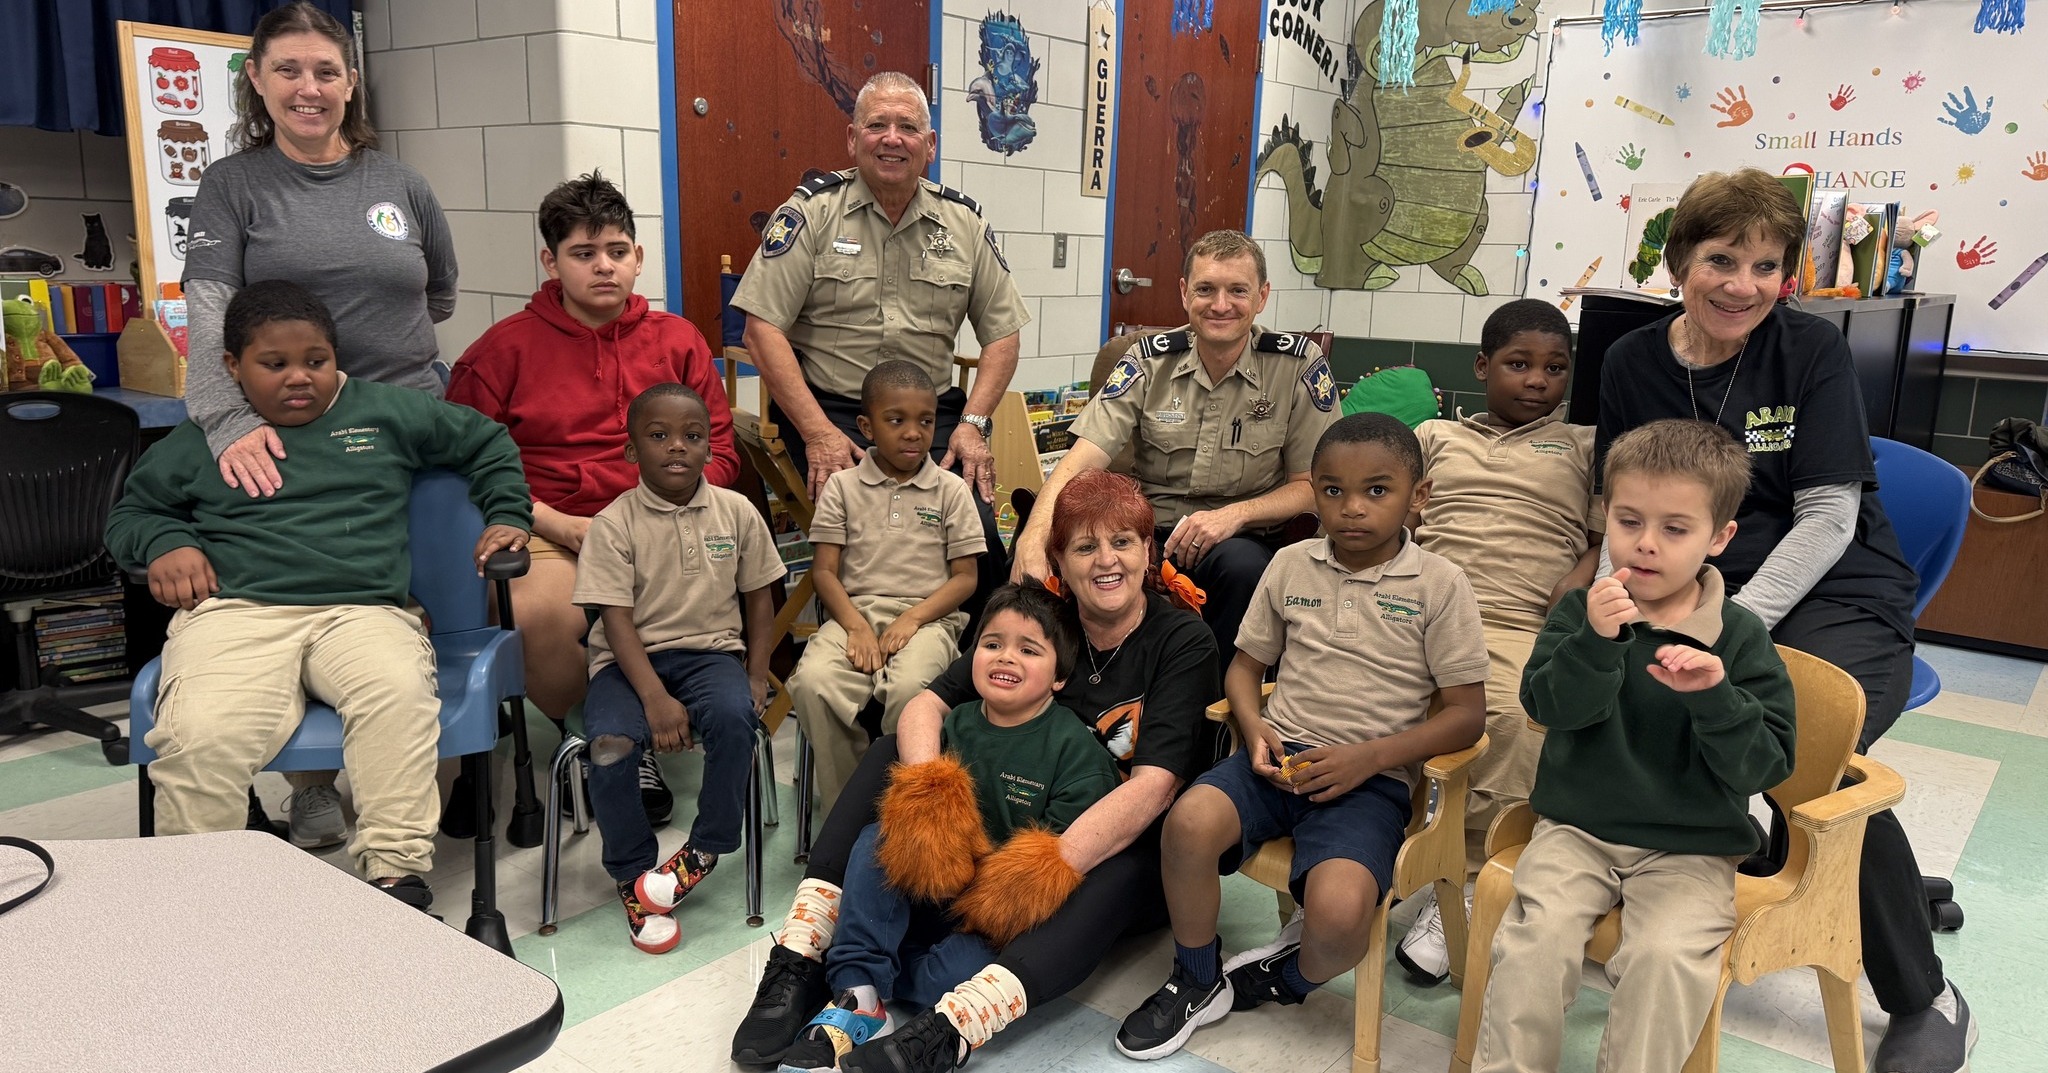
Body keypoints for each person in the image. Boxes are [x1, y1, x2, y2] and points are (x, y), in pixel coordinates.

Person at [1595, 167, 1971, 1073]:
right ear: (1680, 259)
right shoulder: (1629, 361)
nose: (1743, 285)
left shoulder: (1810, 352)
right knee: (1636, 708)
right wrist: (1613, 603)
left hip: (1839, 586)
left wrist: (1728, 627)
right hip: (1697, 584)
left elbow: (1829, 517)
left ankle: (1924, 994)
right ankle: (1833, 868)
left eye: (1767, 265)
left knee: (1801, 748)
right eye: (1722, 258)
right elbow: (1614, 508)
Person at [731, 470, 1222, 1072]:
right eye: (1085, 546)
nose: (1106, 561)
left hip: (1108, 847)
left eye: (1123, 542)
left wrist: (1032, 876)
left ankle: (952, 1030)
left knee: (1116, 869)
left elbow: (1155, 786)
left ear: (1148, 551)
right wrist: (931, 803)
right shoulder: (1041, 619)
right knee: (897, 751)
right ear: (1058, 561)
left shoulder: (1182, 640)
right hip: (1003, 823)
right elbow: (927, 704)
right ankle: (804, 955)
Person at [103, 280, 530, 910]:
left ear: (336, 357)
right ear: (232, 367)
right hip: (238, 613)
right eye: (274, 365)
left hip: (363, 611)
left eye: (316, 361)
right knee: (198, 733)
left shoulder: (385, 412)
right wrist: (166, 542)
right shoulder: (204, 438)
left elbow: (487, 442)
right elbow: (130, 515)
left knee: (398, 696)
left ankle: (396, 877)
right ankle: (198, 896)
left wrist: (506, 514)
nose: (299, 378)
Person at [1115, 412, 1487, 1059]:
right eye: (1333, 490)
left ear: (1417, 497)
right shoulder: (1290, 565)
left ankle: (1282, 977)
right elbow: (1245, 667)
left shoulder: (1441, 586)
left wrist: (1369, 757)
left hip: (1367, 784)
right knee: (1187, 824)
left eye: (1377, 490)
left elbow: (1466, 714)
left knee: (1341, 922)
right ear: (1313, 491)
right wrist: (1253, 726)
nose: (1352, 507)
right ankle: (1198, 976)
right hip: (1275, 762)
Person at [182, 1, 459, 849]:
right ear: (258, 81)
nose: (310, 88)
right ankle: (309, 782)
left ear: (350, 84)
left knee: (409, 613)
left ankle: (422, 785)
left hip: (405, 426)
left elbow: (438, 291)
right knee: (306, 603)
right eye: (290, 71)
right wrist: (230, 419)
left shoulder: (401, 184)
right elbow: (208, 312)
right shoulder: (234, 185)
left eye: (327, 71)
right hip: (291, 434)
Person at [1472, 419, 1797, 1073]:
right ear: (1604, 515)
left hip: (1693, 844)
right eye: (1627, 521)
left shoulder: (1738, 638)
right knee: (1535, 942)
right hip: (1577, 829)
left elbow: (1766, 764)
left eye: (1676, 529)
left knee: (1667, 957)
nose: (1645, 545)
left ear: (1719, 537)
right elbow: (1546, 708)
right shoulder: (1580, 612)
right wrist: (1595, 641)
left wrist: (1715, 697)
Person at [449, 169, 740, 820]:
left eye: (617, 251)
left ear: (638, 257)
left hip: (664, 522)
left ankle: (656, 723)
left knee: (701, 597)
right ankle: (602, 736)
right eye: (583, 254)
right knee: (544, 615)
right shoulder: (499, 353)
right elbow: (464, 465)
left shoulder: (680, 341)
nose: (603, 267)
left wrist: (659, 510)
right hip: (553, 528)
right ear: (551, 262)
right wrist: (556, 523)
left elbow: (721, 453)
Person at [778, 584, 1119, 1073]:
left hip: (990, 916)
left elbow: (1061, 871)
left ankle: (879, 963)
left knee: (953, 977)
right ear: (973, 652)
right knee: (876, 840)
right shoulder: (951, 725)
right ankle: (859, 993)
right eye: (993, 643)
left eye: (1029, 649)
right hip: (927, 887)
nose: (1007, 657)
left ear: (1060, 676)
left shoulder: (1076, 752)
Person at [731, 69, 1026, 594]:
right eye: (877, 125)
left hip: (933, 420)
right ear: (852, 139)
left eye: (908, 127)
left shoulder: (965, 225)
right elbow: (761, 329)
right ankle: (858, 663)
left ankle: (965, 668)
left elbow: (1003, 334)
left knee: (976, 538)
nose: (892, 138)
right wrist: (818, 433)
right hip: (835, 416)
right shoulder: (810, 215)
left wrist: (974, 423)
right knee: (870, 539)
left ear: (929, 145)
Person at [1395, 298, 1603, 984]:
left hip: (1518, 622)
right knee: (1361, 699)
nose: (1538, 380)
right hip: (1420, 611)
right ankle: (1365, 859)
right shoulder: (1434, 436)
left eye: (1554, 367)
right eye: (1518, 364)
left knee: (1515, 717)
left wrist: (1582, 572)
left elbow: (1608, 537)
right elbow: (1390, 511)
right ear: (1482, 367)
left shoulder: (1584, 445)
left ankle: (1464, 877)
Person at [1011, 229, 1339, 658]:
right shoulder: (1148, 359)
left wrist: (1233, 516)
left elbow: (1312, 484)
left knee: (1242, 567)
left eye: (1237, 290)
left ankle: (1214, 709)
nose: (1221, 305)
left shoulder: (1296, 366)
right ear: (1185, 293)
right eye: (1206, 289)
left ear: (1262, 296)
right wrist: (1033, 540)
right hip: (1147, 532)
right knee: (1045, 542)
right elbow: (1081, 460)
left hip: (1242, 537)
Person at [571, 383, 783, 954]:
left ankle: (704, 849)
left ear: (711, 448)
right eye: (658, 436)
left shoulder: (736, 511)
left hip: (712, 653)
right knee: (611, 747)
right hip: (626, 661)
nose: (676, 448)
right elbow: (614, 621)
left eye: (692, 436)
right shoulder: (613, 523)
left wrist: (757, 672)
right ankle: (634, 876)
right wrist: (655, 700)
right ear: (632, 450)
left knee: (737, 717)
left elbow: (761, 598)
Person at [786, 361, 983, 811]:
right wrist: (855, 626)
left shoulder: (951, 490)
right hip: (852, 614)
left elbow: (966, 579)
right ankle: (850, 809)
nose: (914, 433)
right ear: (866, 426)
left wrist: (913, 618)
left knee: (913, 689)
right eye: (896, 420)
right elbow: (824, 573)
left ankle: (901, 808)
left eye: (926, 421)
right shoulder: (841, 487)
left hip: (928, 617)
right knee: (813, 683)